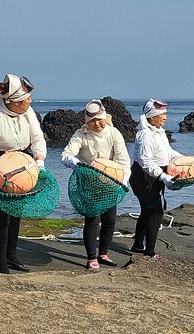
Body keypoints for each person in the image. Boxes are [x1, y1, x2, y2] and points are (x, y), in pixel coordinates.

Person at [0, 74, 46, 274]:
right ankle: (1, 265)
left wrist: (39, 160)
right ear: (13, 102)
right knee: (1, 217)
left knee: (16, 215)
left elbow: (37, 137)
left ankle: (12, 256)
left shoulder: (29, 112)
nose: (29, 101)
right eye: (26, 99)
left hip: (23, 164)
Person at [61, 99, 131, 269]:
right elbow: (66, 155)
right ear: (87, 121)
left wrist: (123, 181)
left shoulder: (114, 134)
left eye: (100, 119)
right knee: (92, 219)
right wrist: (75, 163)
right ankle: (91, 258)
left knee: (110, 220)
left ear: (105, 117)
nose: (97, 124)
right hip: (89, 182)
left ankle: (103, 254)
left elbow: (123, 161)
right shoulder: (81, 134)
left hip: (111, 182)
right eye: (92, 121)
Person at [130, 98, 181, 258]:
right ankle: (149, 251)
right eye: (162, 114)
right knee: (156, 212)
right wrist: (163, 176)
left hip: (156, 176)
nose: (165, 116)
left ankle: (138, 245)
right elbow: (145, 161)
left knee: (147, 210)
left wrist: (186, 159)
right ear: (152, 117)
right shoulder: (145, 134)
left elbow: (169, 152)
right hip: (143, 176)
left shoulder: (159, 132)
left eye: (165, 113)